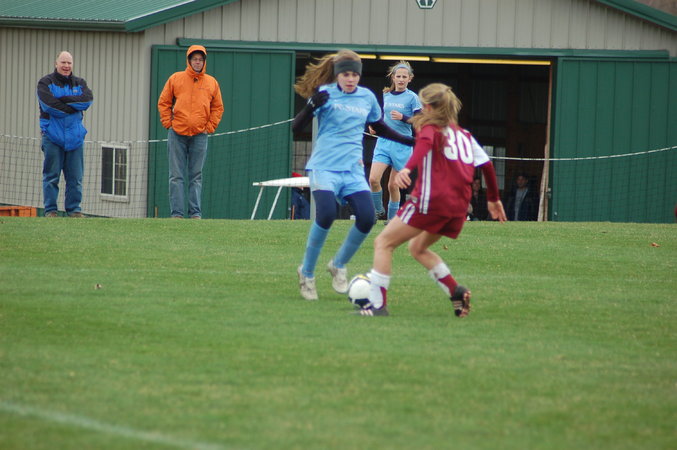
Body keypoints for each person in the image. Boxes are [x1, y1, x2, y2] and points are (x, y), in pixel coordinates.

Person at [360, 83, 507, 316]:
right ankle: (455, 291)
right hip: (458, 208)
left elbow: (426, 143)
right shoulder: (464, 136)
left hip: (431, 201)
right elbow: (487, 165)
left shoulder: (430, 129)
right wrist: (493, 199)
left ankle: (377, 306)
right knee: (418, 248)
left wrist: (407, 169)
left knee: (383, 243)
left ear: (427, 107)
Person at [292, 49, 414, 301]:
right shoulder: (325, 94)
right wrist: (310, 107)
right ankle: (307, 272)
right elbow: (296, 127)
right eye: (345, 74)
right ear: (337, 75)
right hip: (324, 167)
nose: (350, 79)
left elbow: (380, 128)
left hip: (352, 170)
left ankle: (338, 264)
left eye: (354, 75)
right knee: (326, 214)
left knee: (367, 219)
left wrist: (410, 140)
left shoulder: (367, 97)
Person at [158, 45, 224, 219]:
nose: (197, 62)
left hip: (200, 135)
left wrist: (210, 127)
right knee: (176, 176)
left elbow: (218, 107)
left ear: (204, 62)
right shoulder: (176, 79)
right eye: (194, 59)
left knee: (196, 176)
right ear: (189, 60)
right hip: (177, 134)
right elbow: (164, 102)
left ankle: (195, 213)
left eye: (200, 59)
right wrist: (168, 123)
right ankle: (177, 214)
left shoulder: (211, 82)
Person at [37, 51, 93, 217]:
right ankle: (50, 211)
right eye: (63, 62)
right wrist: (72, 107)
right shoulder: (45, 83)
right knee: (51, 177)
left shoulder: (80, 83)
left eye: (69, 63)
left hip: (75, 139)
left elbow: (87, 101)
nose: (66, 66)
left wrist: (62, 99)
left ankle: (74, 210)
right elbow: (49, 106)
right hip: (52, 137)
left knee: (75, 178)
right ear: (56, 63)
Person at [369, 61, 422, 223]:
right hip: (384, 142)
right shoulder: (387, 95)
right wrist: (374, 126)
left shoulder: (413, 98)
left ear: (410, 79)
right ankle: (378, 210)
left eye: (404, 77)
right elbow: (382, 116)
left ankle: (392, 219)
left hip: (402, 145)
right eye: (398, 76)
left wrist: (403, 118)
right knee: (373, 180)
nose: (401, 79)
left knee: (393, 185)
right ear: (393, 77)